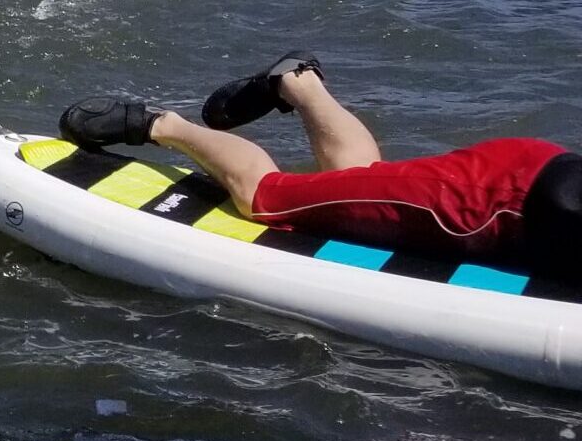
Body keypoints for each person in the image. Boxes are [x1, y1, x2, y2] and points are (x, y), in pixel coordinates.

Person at [59, 53, 581, 283]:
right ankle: (159, 124)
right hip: (487, 202)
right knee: (264, 197)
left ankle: (298, 82)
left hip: (531, 177)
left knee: (362, 185)